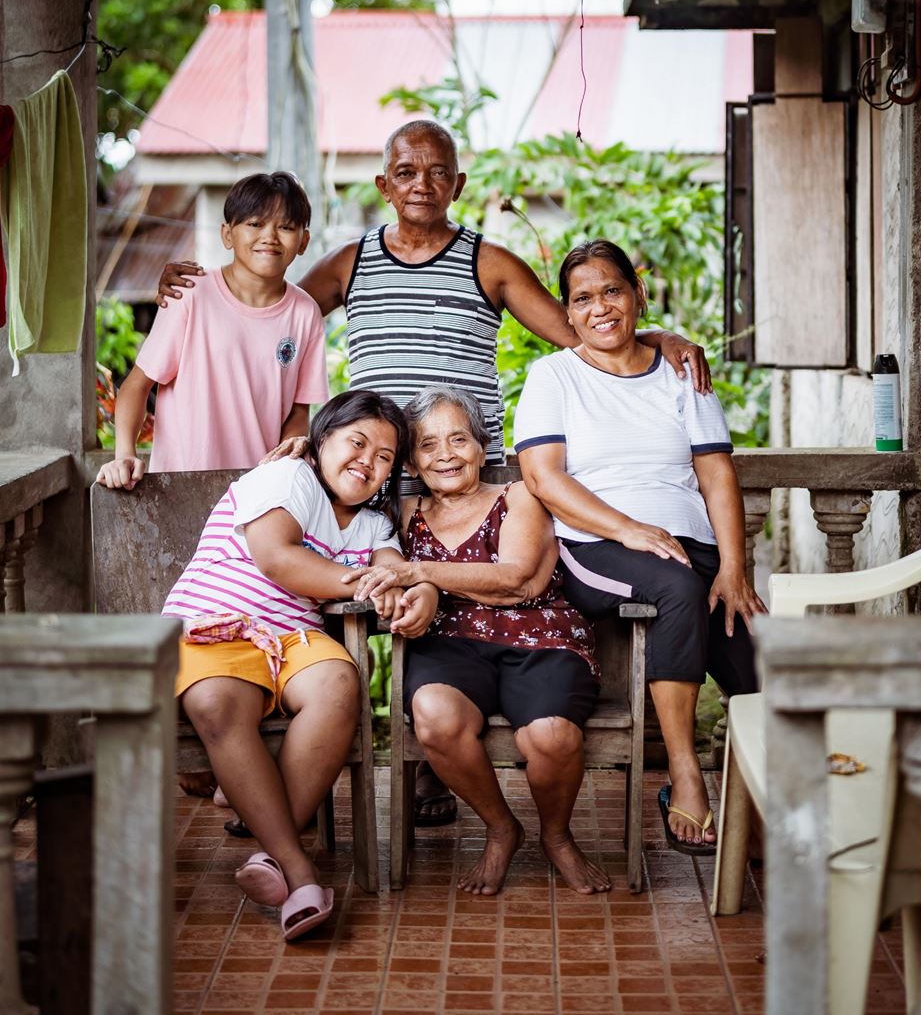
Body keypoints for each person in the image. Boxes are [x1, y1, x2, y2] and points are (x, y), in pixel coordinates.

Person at [155, 120, 711, 826]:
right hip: (377, 476)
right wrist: (196, 287)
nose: (422, 184)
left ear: (458, 184)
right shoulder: (351, 262)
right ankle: (297, 777)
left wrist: (655, 335)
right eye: (406, 172)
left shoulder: (491, 262)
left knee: (458, 608)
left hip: (465, 476)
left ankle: (429, 772)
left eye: (437, 171)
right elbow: (267, 304)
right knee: (375, 610)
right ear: (384, 185)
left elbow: (578, 330)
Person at [513, 239, 765, 855]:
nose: (599, 307)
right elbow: (544, 478)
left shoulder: (680, 372)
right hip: (594, 547)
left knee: (757, 656)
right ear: (567, 313)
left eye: (612, 291)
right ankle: (684, 773)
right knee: (676, 588)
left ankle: (768, 800)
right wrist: (626, 528)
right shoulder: (553, 377)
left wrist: (734, 567)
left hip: (689, 547)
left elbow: (716, 474)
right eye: (582, 299)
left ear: (638, 295)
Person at [162, 389, 438, 941]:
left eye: (384, 456)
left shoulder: (374, 524)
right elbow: (278, 557)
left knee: (339, 683)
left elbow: (395, 569)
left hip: (295, 638)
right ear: (322, 439)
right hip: (216, 625)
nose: (367, 461)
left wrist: (417, 591)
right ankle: (297, 869)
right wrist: (369, 584)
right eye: (356, 443)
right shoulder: (287, 477)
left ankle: (266, 845)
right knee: (216, 704)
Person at [353, 385, 609, 897]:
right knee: (435, 716)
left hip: (539, 637)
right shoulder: (402, 513)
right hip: (449, 642)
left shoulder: (517, 496)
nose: (445, 455)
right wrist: (301, 448)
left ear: (482, 447)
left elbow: (516, 579)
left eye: (458, 439)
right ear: (411, 461)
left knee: (552, 737)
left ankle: (557, 836)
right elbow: (338, 488)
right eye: (427, 445)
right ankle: (500, 829)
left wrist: (420, 572)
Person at [98, 170, 329, 488]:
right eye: (255, 224)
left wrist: (284, 464)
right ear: (227, 234)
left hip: (257, 493)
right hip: (181, 486)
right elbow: (137, 385)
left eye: (286, 227)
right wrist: (124, 453)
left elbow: (298, 412)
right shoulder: (188, 293)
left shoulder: (305, 313)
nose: (270, 236)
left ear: (303, 241)